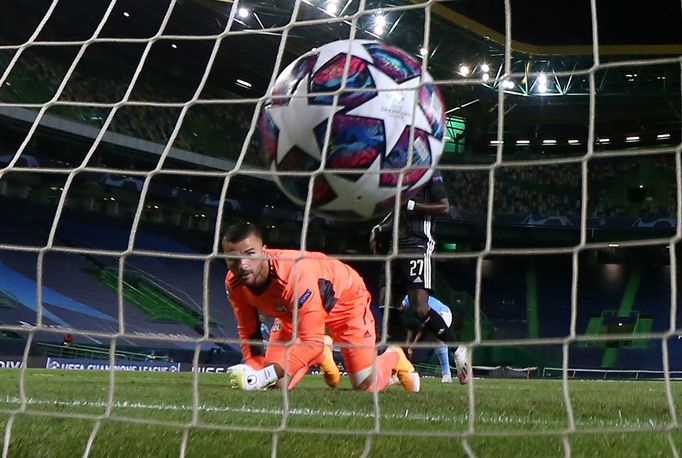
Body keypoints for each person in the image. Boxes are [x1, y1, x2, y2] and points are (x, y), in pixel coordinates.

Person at [222, 221, 419, 392]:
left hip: (346, 303)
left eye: (250, 254)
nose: (243, 265)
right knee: (277, 386)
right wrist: (254, 370)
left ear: (263, 251)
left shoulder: (293, 275)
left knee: (365, 385)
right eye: (234, 258)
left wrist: (264, 375)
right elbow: (249, 331)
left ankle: (394, 356)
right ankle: (321, 352)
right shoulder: (234, 283)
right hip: (293, 313)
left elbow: (310, 341)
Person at [369, 171, 471, 384]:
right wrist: (380, 228)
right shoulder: (396, 177)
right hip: (394, 247)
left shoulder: (429, 174)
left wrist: (414, 206)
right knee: (386, 303)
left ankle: (457, 347)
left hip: (418, 245)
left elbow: (444, 207)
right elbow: (399, 214)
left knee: (419, 307)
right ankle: (403, 368)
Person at [402, 295, 469, 384]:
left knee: (436, 337)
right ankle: (448, 374)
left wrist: (411, 347)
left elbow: (421, 329)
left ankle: (456, 354)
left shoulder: (413, 301)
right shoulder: (410, 301)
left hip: (443, 312)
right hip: (441, 313)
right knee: (438, 341)